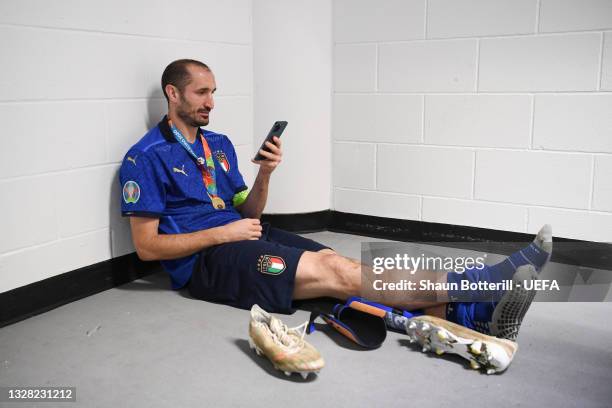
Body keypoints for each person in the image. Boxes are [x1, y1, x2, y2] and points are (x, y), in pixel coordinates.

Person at [119, 59, 552, 345]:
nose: (211, 102)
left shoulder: (218, 143)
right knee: (334, 273)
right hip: (207, 263)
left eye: (214, 92)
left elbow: (249, 214)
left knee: (341, 265)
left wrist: (265, 174)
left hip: (245, 233)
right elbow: (147, 249)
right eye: (200, 93)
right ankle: (482, 281)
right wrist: (223, 232)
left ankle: (472, 314)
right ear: (173, 94)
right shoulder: (145, 157)